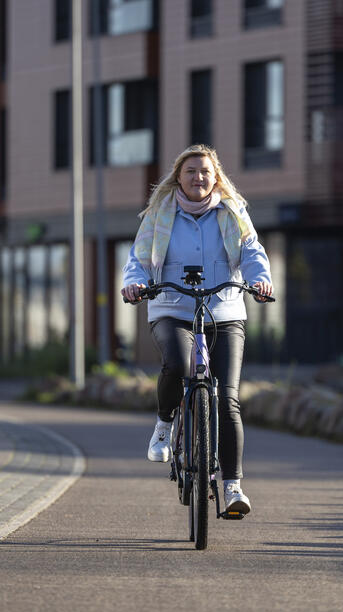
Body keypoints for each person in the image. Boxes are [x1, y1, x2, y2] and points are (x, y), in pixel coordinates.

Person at [121, 144, 273, 516]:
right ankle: (164, 424)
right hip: (172, 308)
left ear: (215, 176)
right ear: (179, 177)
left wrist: (261, 281)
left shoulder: (233, 212)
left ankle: (233, 486)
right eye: (190, 171)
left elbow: (251, 251)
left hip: (223, 310)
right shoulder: (160, 214)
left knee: (228, 399)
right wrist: (135, 284)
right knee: (177, 365)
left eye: (205, 171)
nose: (198, 177)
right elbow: (139, 258)